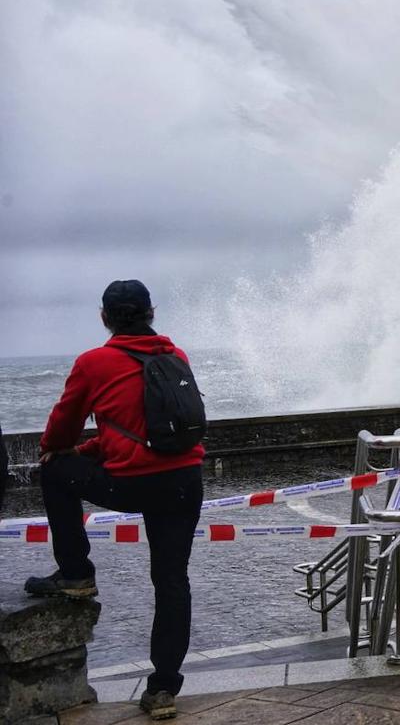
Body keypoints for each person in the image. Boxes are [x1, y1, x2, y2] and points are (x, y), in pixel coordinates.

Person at [27, 280, 204, 721]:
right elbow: (145, 430)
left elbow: (60, 431)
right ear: (151, 313)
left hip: (133, 484)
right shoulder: (175, 356)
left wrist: (62, 450)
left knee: (53, 470)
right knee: (171, 581)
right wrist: (90, 449)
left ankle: (76, 572)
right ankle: (163, 690)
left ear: (105, 318)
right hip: (185, 479)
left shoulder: (93, 362)